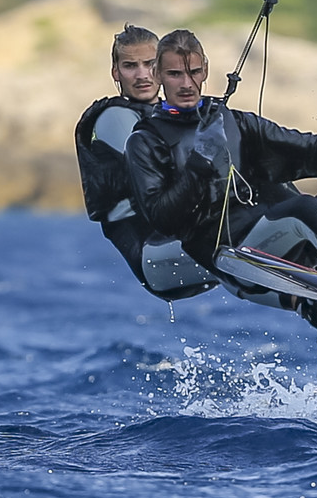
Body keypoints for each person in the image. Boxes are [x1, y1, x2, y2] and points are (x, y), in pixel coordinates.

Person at [126, 28, 317, 327]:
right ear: (157, 74)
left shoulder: (232, 120)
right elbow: (162, 219)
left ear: (205, 70)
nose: (186, 84)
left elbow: (309, 149)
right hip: (234, 256)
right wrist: (199, 163)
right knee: (303, 208)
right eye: (174, 74)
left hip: (279, 238)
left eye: (194, 72)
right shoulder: (145, 142)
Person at [74, 25, 221, 301]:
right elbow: (166, 170)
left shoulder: (170, 116)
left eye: (150, 64)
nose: (142, 74)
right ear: (116, 73)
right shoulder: (114, 118)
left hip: (188, 248)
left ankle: (303, 292)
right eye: (130, 66)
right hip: (155, 259)